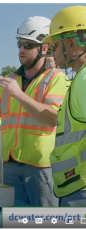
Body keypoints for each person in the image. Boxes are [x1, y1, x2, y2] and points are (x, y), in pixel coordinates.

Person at [0, 16, 70, 206]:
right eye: (19, 44)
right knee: (13, 220)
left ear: (45, 48)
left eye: (28, 45)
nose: (21, 50)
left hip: (41, 167)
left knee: (45, 221)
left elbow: (52, 119)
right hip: (9, 164)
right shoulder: (11, 79)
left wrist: (19, 95)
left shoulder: (56, 78)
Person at [42, 5, 86, 207]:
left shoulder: (84, 79)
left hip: (81, 191)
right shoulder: (80, 78)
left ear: (71, 43)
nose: (52, 52)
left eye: (54, 46)